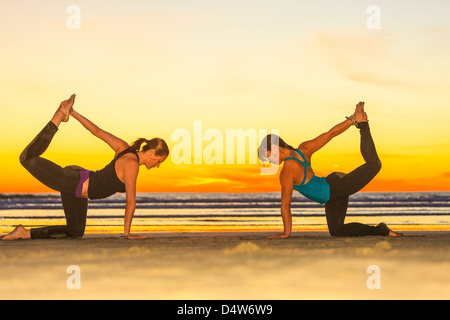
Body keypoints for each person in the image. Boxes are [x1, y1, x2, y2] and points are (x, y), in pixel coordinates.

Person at [2, 94, 169, 240]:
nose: (158, 165)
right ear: (152, 153)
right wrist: (127, 234)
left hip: (78, 190)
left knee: (75, 232)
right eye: (159, 161)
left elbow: (95, 130)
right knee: (26, 159)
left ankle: (23, 233)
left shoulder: (124, 148)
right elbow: (131, 202)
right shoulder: (132, 165)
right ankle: (56, 119)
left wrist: (73, 112)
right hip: (73, 181)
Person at [258, 102, 403, 238]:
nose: (269, 161)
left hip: (335, 187)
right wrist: (352, 119)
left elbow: (285, 204)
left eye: (268, 156)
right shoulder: (303, 149)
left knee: (374, 165)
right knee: (337, 231)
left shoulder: (287, 170)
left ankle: (363, 125)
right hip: (332, 191)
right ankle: (381, 230)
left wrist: (286, 233)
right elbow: (330, 134)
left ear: (275, 148)